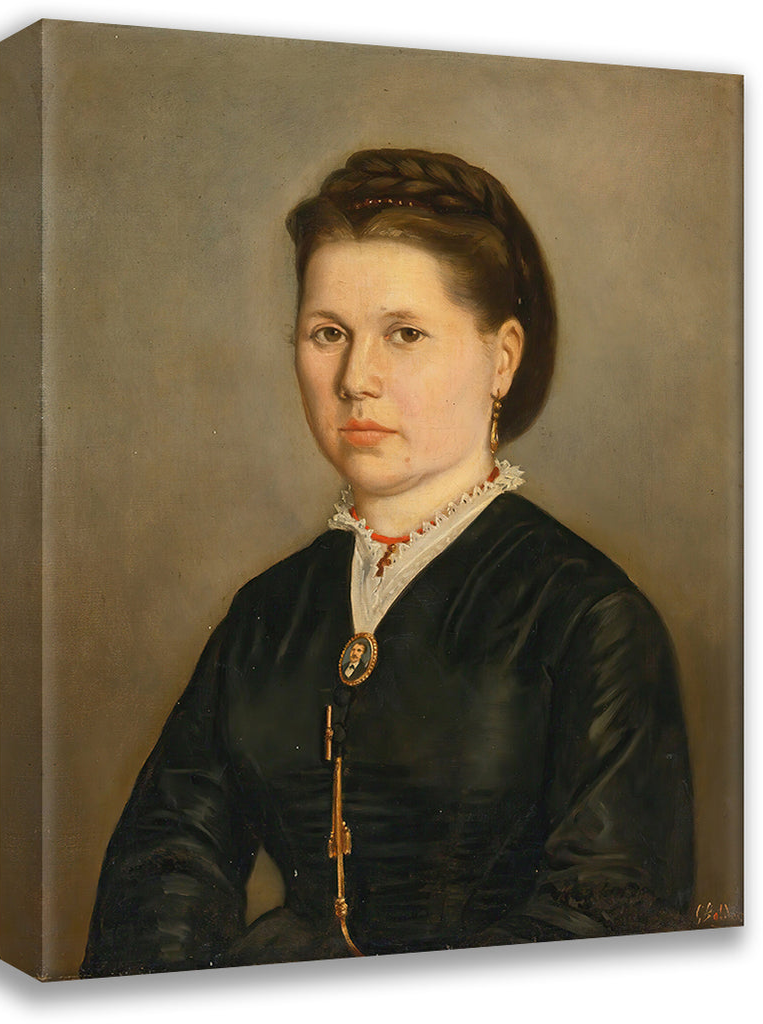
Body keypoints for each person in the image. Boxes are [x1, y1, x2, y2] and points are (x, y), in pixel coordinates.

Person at [81, 148, 693, 977]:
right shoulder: (268, 612)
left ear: (501, 358)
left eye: (404, 334)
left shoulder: (586, 615)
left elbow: (606, 917)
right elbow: (165, 865)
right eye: (327, 333)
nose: (354, 379)